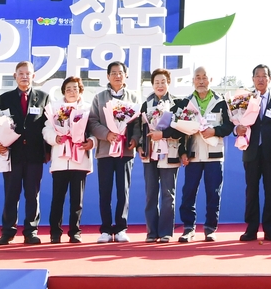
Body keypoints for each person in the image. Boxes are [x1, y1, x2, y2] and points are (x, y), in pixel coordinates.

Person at [0, 61, 50, 245]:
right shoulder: (5, 98)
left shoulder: (43, 97)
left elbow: (48, 125)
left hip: (34, 154)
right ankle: (8, 231)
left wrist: (48, 151)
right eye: (21, 73)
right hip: (13, 153)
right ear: (15, 76)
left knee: (32, 194)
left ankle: (31, 231)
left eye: (28, 73)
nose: (24, 76)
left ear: (34, 76)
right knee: (11, 193)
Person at [176, 66, 233, 242]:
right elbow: (180, 129)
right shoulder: (186, 102)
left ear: (211, 80)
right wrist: (182, 152)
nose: (201, 80)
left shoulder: (221, 101)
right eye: (197, 77)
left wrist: (215, 130)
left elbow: (229, 126)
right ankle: (188, 228)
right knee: (189, 192)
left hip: (214, 154)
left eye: (204, 77)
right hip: (193, 154)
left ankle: (210, 228)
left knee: (213, 192)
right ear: (193, 80)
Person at [88, 61, 141, 243]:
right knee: (105, 191)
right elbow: (92, 121)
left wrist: (134, 138)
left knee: (122, 190)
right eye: (113, 73)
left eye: (120, 72)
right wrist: (107, 134)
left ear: (126, 75)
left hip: (125, 151)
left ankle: (120, 228)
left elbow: (137, 123)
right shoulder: (99, 97)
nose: (117, 76)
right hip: (105, 151)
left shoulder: (133, 98)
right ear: (108, 76)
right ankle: (105, 228)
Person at [238, 64, 271, 242]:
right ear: (252, 79)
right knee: (251, 191)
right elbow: (236, 121)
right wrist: (238, 128)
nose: (260, 79)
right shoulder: (244, 99)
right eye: (257, 76)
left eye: (264, 76)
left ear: (269, 79)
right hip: (251, 151)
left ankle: (270, 230)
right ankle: (250, 230)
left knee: (270, 191)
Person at [45, 76, 96, 244]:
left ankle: (75, 232)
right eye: (68, 89)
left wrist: (92, 142)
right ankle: (55, 232)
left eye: (75, 88)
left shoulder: (88, 109)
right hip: (60, 159)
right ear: (63, 91)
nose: (71, 92)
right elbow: (46, 129)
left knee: (77, 200)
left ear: (80, 90)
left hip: (79, 158)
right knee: (57, 198)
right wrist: (55, 138)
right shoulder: (54, 108)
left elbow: (94, 130)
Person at [141, 69, 183, 243]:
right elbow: (140, 127)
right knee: (151, 193)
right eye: (156, 82)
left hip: (170, 152)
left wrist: (163, 135)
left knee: (168, 194)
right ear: (152, 84)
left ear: (169, 83)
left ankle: (166, 231)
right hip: (150, 153)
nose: (160, 85)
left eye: (163, 82)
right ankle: (151, 232)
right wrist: (139, 145)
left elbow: (181, 128)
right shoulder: (146, 104)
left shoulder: (177, 104)